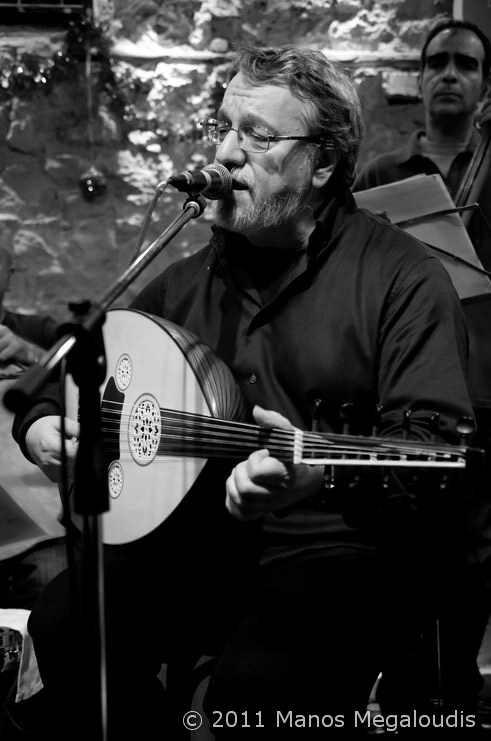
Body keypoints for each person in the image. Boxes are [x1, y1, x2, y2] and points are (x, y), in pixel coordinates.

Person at [10, 43, 479, 739]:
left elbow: (438, 452)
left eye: (257, 135)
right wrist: (42, 426)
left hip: (339, 552)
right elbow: (64, 375)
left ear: (322, 162)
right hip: (200, 547)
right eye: (222, 127)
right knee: (66, 622)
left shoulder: (401, 278)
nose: (226, 153)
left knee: (258, 691)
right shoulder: (185, 282)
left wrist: (319, 472)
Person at [354, 19, 491, 721]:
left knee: (472, 555)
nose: (448, 74)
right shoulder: (381, 175)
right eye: (437, 62)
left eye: (465, 64)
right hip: (405, 384)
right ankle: (408, 692)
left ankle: (458, 693)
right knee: (405, 546)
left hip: (485, 388)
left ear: (482, 83)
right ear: (420, 76)